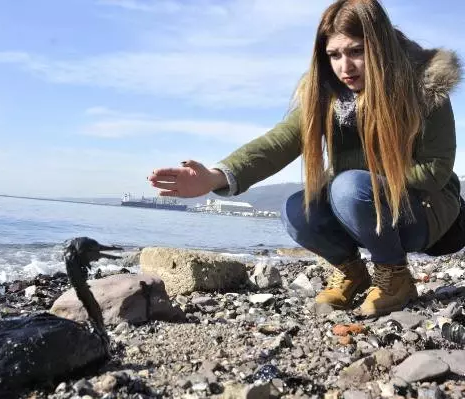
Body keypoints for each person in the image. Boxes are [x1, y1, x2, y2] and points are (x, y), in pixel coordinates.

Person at [148, 0, 462, 317]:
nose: (345, 67)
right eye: (334, 55)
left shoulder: (423, 85)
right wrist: (217, 176)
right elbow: (281, 140)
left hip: (425, 210)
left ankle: (394, 275)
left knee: (348, 188)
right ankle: (353, 274)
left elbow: (435, 170)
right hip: (360, 203)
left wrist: (360, 183)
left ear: (379, 45)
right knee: (296, 210)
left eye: (356, 52)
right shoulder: (327, 93)